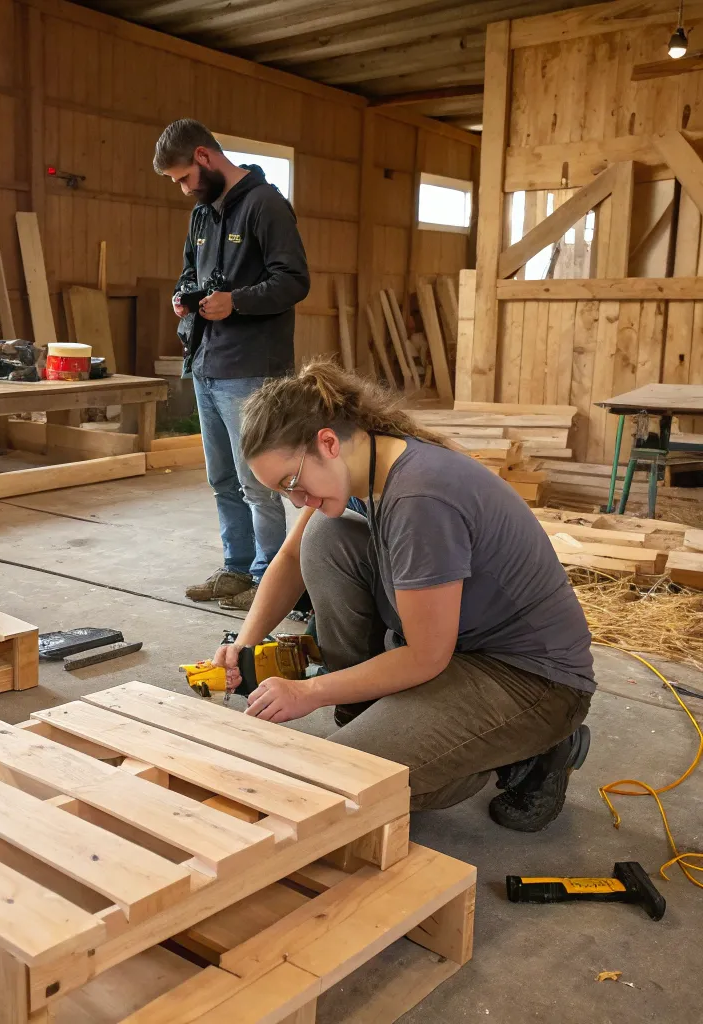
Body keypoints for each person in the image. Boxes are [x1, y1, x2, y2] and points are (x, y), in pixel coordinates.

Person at [212, 361, 595, 833]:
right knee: (324, 537)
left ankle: (528, 750)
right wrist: (244, 644)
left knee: (352, 779)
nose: (296, 500)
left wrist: (308, 692)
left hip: (529, 678)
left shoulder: (420, 497)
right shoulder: (366, 461)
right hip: (455, 647)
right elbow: (290, 559)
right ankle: (375, 712)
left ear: (327, 443)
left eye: (292, 483)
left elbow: (425, 657)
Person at [154, 119, 310, 611]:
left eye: (184, 177)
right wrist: (184, 295)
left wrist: (236, 302)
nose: (184, 189)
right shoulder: (203, 213)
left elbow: (294, 280)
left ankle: (269, 579)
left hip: (252, 367)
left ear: (204, 156)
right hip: (207, 360)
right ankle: (237, 568)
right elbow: (190, 271)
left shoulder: (266, 205)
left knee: (258, 482)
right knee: (222, 479)